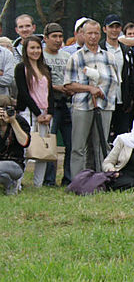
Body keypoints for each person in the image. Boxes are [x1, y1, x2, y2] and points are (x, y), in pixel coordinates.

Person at [64, 20, 120, 176]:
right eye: (89, 33)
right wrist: (89, 88)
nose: (93, 37)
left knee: (101, 144)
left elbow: (115, 81)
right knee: (79, 146)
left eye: (96, 33)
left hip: (105, 105)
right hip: (82, 106)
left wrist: (100, 88)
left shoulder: (109, 57)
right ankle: (78, 180)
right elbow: (68, 85)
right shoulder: (75, 57)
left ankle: (101, 178)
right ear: (82, 34)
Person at [15, 36, 54, 187]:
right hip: (28, 114)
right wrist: (38, 113)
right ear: (26, 50)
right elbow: (24, 93)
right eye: (32, 48)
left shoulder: (45, 68)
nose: (35, 51)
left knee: (43, 149)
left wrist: (49, 112)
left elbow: (50, 92)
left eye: (38, 48)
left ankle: (38, 184)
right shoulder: (21, 68)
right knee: (25, 149)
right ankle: (17, 183)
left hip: (45, 114)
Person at [42, 23, 72, 186]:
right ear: (46, 38)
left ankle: (68, 178)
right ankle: (49, 180)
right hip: (50, 103)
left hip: (66, 102)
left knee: (70, 142)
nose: (58, 40)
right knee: (51, 142)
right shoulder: (42, 56)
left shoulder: (67, 56)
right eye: (54, 36)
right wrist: (56, 87)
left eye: (60, 36)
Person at [99, 14, 133, 137]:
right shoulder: (99, 49)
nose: (114, 30)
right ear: (104, 29)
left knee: (122, 135)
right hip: (104, 98)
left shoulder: (126, 50)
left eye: (117, 27)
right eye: (111, 27)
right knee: (103, 135)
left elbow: (130, 75)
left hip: (121, 99)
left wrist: (129, 98)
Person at [0, 96, 30, 194]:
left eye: (7, 109)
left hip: (15, 164)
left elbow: (24, 143)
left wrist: (13, 122)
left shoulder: (20, 121)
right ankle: (10, 184)